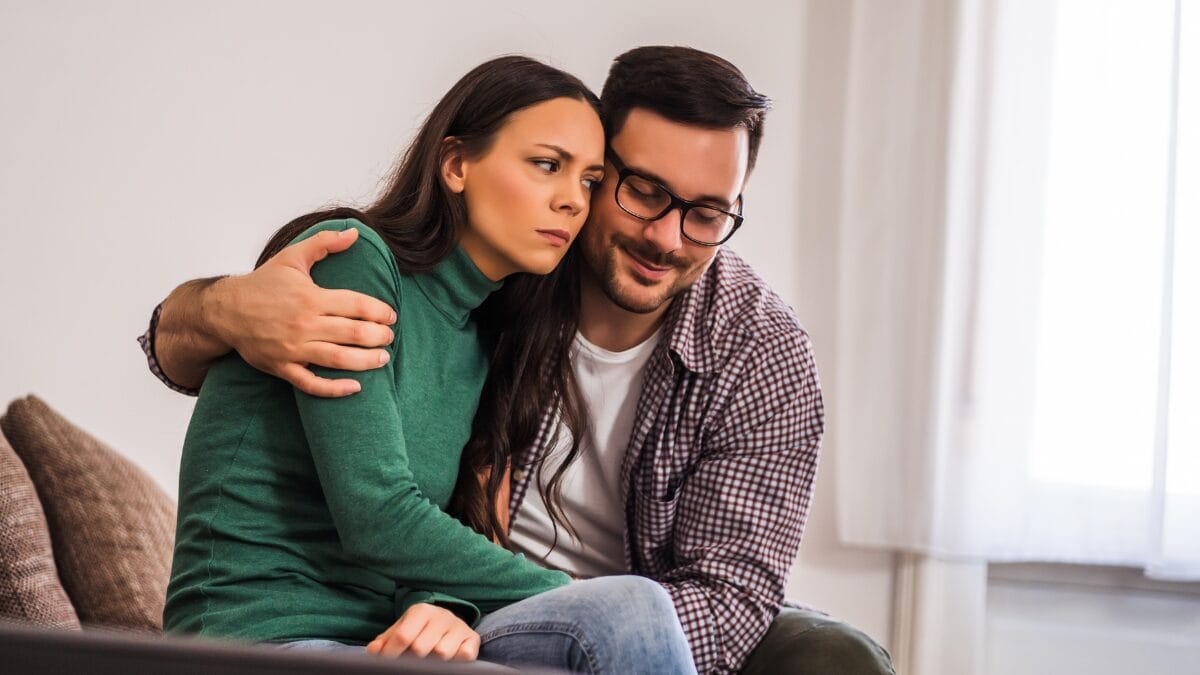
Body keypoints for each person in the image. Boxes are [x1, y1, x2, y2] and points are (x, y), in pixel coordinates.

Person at [142, 46, 895, 675]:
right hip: (318, 627)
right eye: (637, 191)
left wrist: (495, 603)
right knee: (626, 608)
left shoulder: (752, 348)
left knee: (792, 644)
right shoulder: (449, 278)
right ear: (456, 164)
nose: (666, 236)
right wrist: (215, 306)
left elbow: (729, 600)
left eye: (705, 213)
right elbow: (381, 510)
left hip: (503, 615)